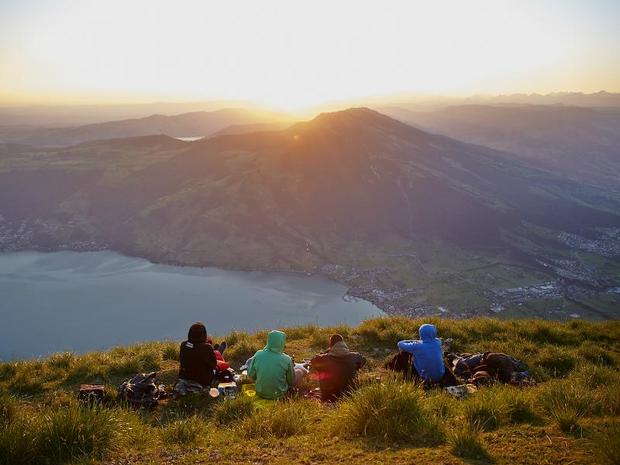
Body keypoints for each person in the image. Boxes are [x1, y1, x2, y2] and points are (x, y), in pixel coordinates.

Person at [311, 334, 366, 402]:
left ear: (331, 346)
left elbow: (312, 361)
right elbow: (364, 360)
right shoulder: (355, 357)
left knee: (321, 368)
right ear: (343, 344)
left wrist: (326, 353)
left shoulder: (323, 359)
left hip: (329, 399)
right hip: (350, 397)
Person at [247, 330, 295, 400]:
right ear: (282, 342)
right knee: (299, 371)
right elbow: (291, 381)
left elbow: (251, 375)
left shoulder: (258, 354)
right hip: (279, 395)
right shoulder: (287, 359)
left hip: (260, 393)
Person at [177, 322, 217, 389]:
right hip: (203, 380)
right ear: (204, 334)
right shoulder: (207, 347)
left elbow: (182, 360)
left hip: (185, 377)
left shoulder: (183, 345)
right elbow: (213, 365)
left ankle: (216, 351)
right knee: (218, 366)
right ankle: (217, 352)